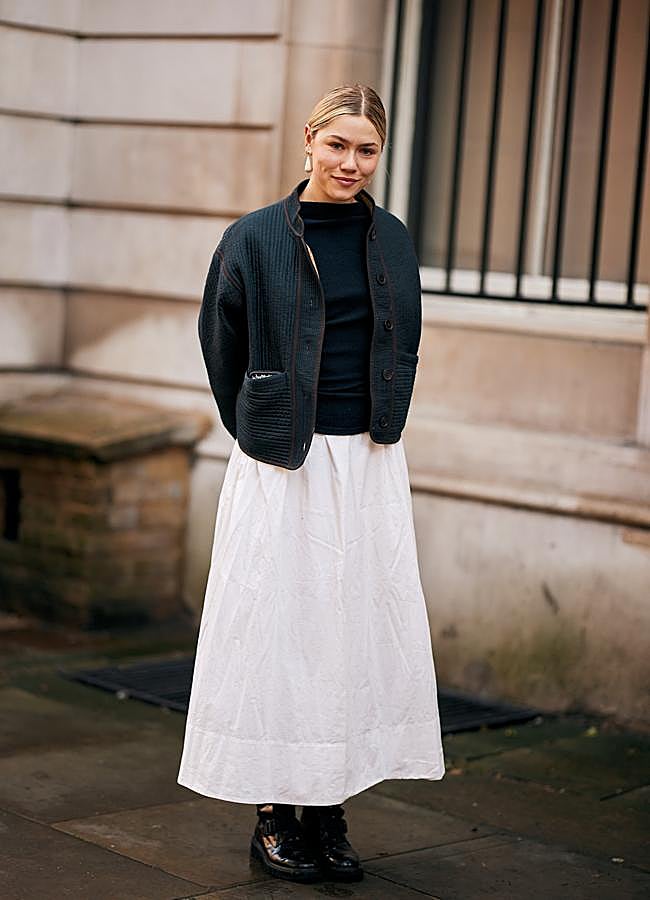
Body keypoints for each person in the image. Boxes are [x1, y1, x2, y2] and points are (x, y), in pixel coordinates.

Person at [177, 82, 445, 885]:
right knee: (275, 632)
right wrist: (261, 424)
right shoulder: (254, 236)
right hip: (282, 463)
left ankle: (326, 806)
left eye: (367, 149)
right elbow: (220, 343)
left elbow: (402, 340)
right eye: (338, 145)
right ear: (309, 139)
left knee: (350, 634)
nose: (351, 163)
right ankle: (272, 817)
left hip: (368, 459)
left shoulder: (392, 239)